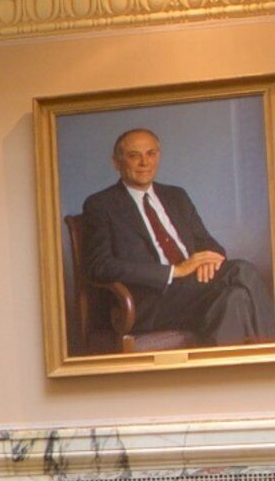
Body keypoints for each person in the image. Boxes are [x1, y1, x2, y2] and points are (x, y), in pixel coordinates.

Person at [76, 124, 270, 350]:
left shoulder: (176, 196)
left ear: (158, 155)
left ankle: (215, 380)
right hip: (147, 302)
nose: (144, 162)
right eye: (134, 156)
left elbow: (208, 243)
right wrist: (175, 271)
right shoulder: (101, 204)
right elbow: (100, 266)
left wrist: (207, 261)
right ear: (116, 162)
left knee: (236, 298)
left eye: (151, 154)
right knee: (241, 270)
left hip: (194, 290)